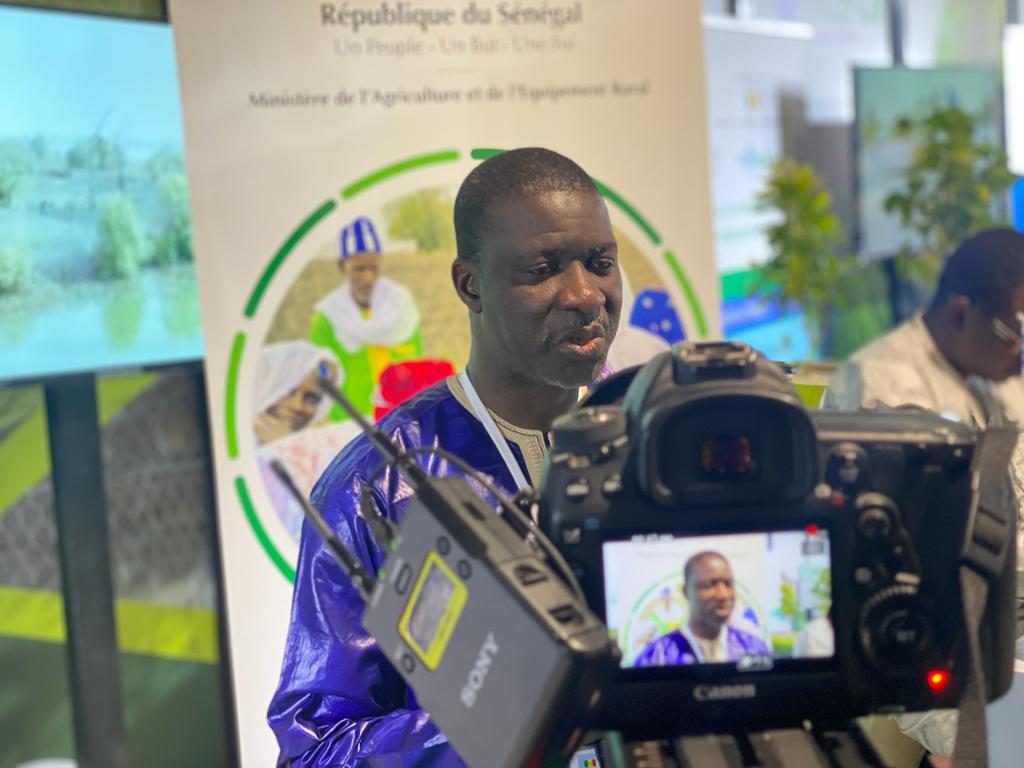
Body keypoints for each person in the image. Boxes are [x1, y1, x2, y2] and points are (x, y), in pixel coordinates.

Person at [268, 147, 622, 766]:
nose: (585, 295)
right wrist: (505, 718)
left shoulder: (649, 442)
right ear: (470, 285)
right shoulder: (376, 488)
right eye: (543, 269)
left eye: (600, 264)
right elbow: (316, 749)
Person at [824, 227, 1024, 759]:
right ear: (960, 313)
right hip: (930, 644)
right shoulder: (883, 393)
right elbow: (918, 572)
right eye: (1015, 334)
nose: (1020, 356)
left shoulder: (991, 367)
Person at [309, 216, 422, 419]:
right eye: (359, 269)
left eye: (373, 268)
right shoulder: (327, 318)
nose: (368, 278)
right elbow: (323, 383)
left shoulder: (401, 305)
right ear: (342, 266)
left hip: (404, 415)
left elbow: (417, 360)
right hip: (352, 422)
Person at [633, 551, 770, 667]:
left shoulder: (754, 648)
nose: (723, 595)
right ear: (686, 592)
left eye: (728, 584)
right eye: (709, 585)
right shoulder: (656, 657)